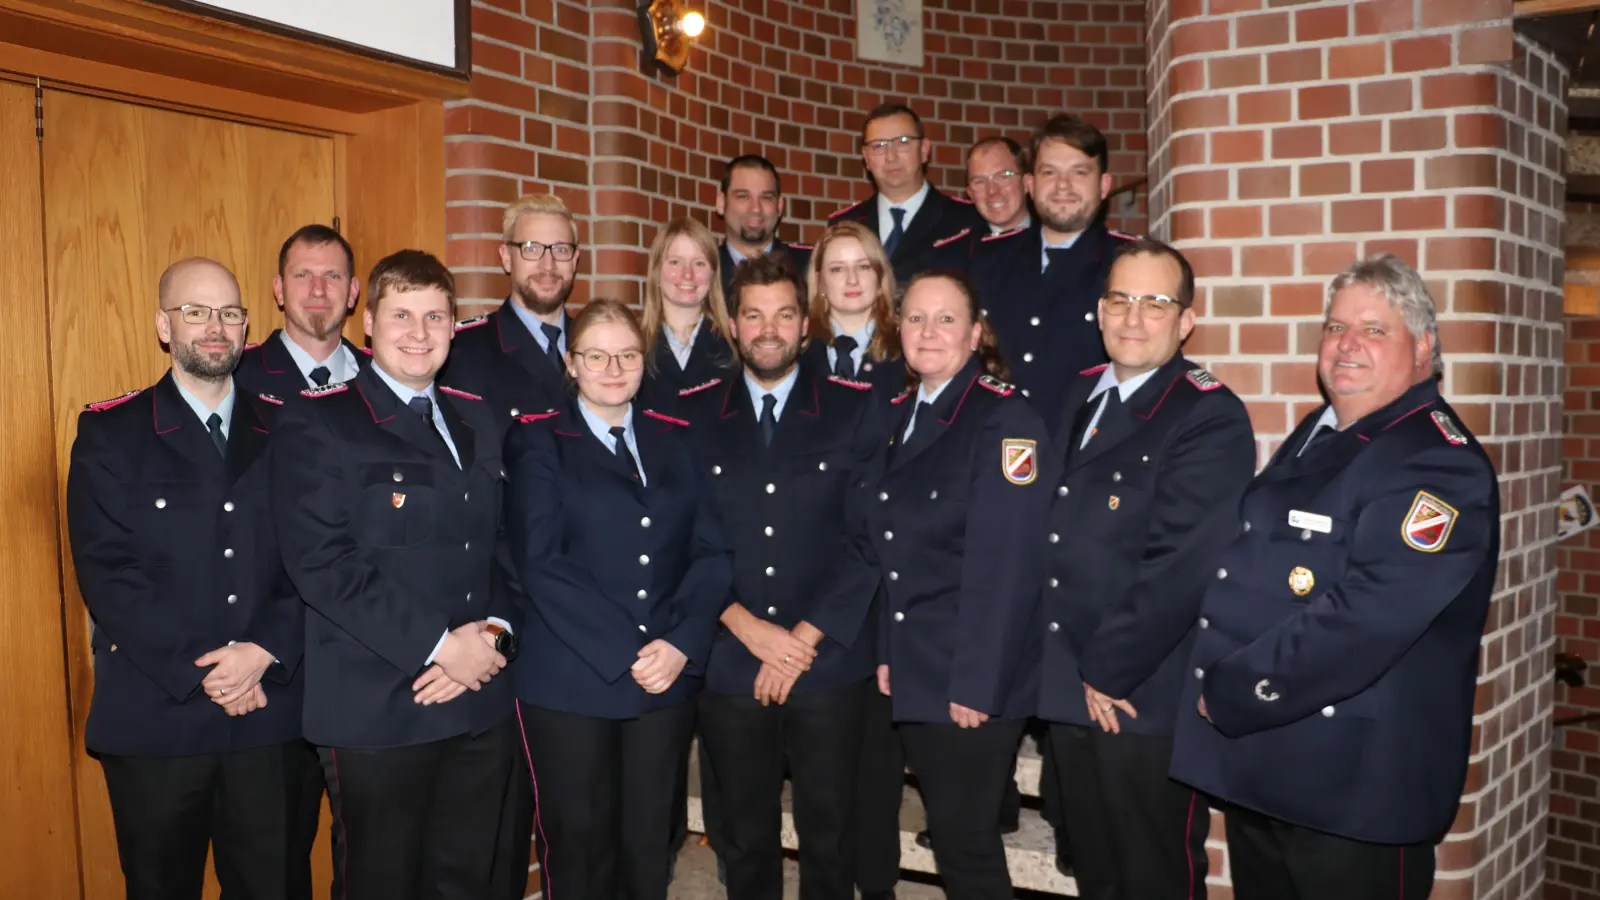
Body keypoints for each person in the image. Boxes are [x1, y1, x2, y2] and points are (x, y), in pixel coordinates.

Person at [1171, 254, 1500, 899]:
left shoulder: (1437, 464)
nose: (1346, 345)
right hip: (1271, 770)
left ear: (1424, 346)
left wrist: (1234, 689)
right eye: (1334, 328)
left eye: (1374, 330)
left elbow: (1365, 619)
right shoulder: (1329, 432)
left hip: (1355, 793)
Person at [273, 250, 519, 900]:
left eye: (435, 316)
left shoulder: (477, 419)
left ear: (454, 328)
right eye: (402, 314)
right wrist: (441, 647)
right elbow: (322, 564)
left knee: (465, 882)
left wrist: (494, 634)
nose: (419, 331)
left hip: (477, 701)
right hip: (378, 710)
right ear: (369, 325)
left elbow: (505, 548)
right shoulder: (320, 421)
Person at [66, 257, 305, 900]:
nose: (214, 327)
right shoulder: (111, 432)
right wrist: (208, 670)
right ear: (163, 326)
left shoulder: (290, 429)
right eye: (194, 311)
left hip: (269, 717)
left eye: (229, 312)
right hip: (157, 716)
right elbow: (108, 571)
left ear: (247, 326)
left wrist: (261, 651)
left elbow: (316, 559)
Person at [1039, 238, 1256, 900]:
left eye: (1155, 303)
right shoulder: (1078, 392)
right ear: (1099, 313)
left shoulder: (1208, 416)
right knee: (1094, 870)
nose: (1133, 319)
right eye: (1120, 301)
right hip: (1066, 681)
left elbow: (1182, 564)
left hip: (1138, 693)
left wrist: (1103, 670)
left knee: (1151, 874)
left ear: (1186, 320)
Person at [503, 299, 733, 900]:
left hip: (666, 678)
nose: (613, 367)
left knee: (649, 846)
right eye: (596, 355)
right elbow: (542, 565)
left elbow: (711, 552)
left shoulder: (679, 440)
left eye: (627, 354)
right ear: (571, 363)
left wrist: (682, 643)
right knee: (579, 848)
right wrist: (633, 650)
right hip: (571, 681)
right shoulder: (538, 443)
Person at [679, 255, 882, 899]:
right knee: (743, 836)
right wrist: (748, 630)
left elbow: (870, 539)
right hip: (731, 661)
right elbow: (679, 539)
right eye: (754, 315)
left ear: (806, 324)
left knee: (831, 834)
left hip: (827, 662)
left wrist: (799, 641)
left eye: (784, 314)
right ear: (732, 326)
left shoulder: (855, 409)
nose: (769, 329)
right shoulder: (692, 415)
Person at [850, 270, 1051, 900]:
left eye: (945, 319)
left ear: (975, 332)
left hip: (969, 672)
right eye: (914, 318)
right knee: (955, 835)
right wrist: (888, 651)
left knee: (966, 846)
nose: (928, 332)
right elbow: (893, 553)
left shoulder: (1005, 418)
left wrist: (976, 682)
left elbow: (1009, 564)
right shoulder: (904, 414)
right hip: (919, 659)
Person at [970, 114, 1133, 429]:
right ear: (1029, 184)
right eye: (1049, 172)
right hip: (995, 448)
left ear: (1104, 185)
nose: (1062, 186)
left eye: (1079, 172)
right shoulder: (987, 260)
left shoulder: (1129, 264)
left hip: (1087, 456)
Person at [442, 193, 579, 422]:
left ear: (575, 261)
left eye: (561, 249)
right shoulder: (462, 351)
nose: (548, 265)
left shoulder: (600, 347)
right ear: (506, 257)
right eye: (531, 248)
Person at [829, 103, 986, 285]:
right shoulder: (844, 225)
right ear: (866, 157)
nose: (891, 156)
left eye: (903, 142)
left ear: (924, 150)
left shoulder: (967, 220)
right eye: (878, 145)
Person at [235, 224, 369, 399]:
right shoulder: (236, 378)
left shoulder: (383, 379)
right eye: (303, 275)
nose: (318, 290)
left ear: (352, 292)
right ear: (279, 290)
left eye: (332, 276)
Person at [799, 220, 905, 403]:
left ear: (880, 277)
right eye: (837, 269)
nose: (852, 279)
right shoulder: (796, 348)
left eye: (863, 266)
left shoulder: (907, 344)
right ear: (820, 282)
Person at [638, 216, 738, 410]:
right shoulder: (633, 346)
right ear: (657, 271)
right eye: (675, 262)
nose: (687, 274)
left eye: (699, 263)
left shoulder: (736, 349)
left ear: (713, 275)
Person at [716, 154, 813, 303]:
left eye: (766, 198)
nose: (755, 208)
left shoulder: (810, 265)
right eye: (743, 196)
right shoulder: (702, 269)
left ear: (779, 206)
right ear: (721, 203)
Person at [965, 137, 1031, 236]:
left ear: (1026, 183)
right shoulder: (955, 249)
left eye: (1003, 176)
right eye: (979, 181)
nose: (992, 190)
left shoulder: (1055, 241)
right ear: (970, 193)